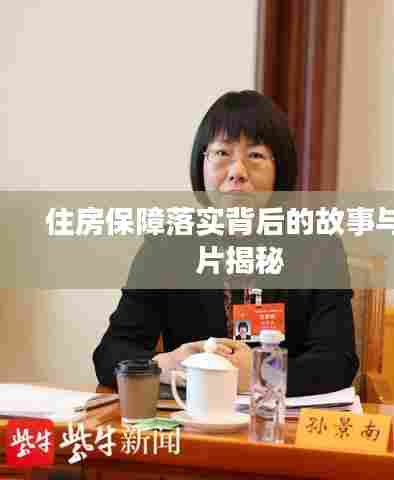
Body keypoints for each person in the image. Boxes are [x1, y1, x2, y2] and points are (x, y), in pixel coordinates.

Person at [93, 90, 359, 396]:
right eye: (222, 153)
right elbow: (111, 353)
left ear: (280, 168)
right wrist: (168, 363)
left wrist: (262, 373)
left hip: (279, 419)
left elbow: (338, 362)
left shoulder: (318, 247)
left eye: (255, 156)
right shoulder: (167, 247)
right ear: (202, 163)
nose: (237, 173)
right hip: (192, 416)